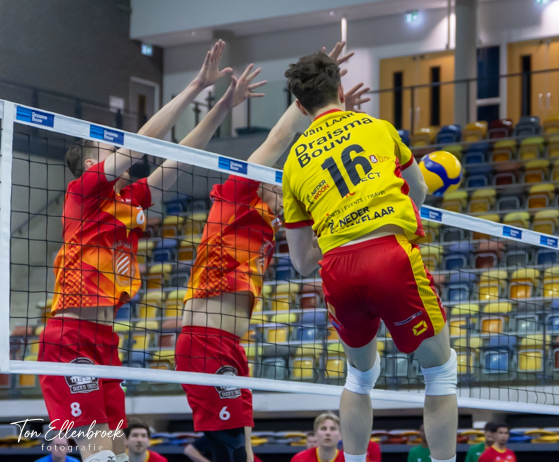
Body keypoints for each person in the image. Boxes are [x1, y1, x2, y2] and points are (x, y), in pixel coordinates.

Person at [38, 41, 264, 462]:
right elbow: (139, 142)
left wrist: (222, 106)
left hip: (105, 340)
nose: (116, 149)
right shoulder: (84, 193)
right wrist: (196, 85)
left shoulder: (132, 200)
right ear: (90, 165)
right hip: (71, 339)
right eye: (107, 147)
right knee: (99, 455)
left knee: (118, 456)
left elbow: (181, 156)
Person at [175, 42, 368, 462]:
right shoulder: (237, 195)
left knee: (244, 447)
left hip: (229, 345)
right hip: (207, 341)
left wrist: (341, 120)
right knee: (230, 451)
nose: (279, 184)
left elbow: (314, 251)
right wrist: (322, 91)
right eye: (275, 180)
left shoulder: (273, 221)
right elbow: (279, 138)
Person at [282, 51, 458, 462]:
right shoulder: (378, 128)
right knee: (440, 373)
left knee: (360, 377)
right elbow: (419, 189)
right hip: (389, 258)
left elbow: (301, 263)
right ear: (341, 91)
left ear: (301, 107)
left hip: (337, 269)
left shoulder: (293, 163)